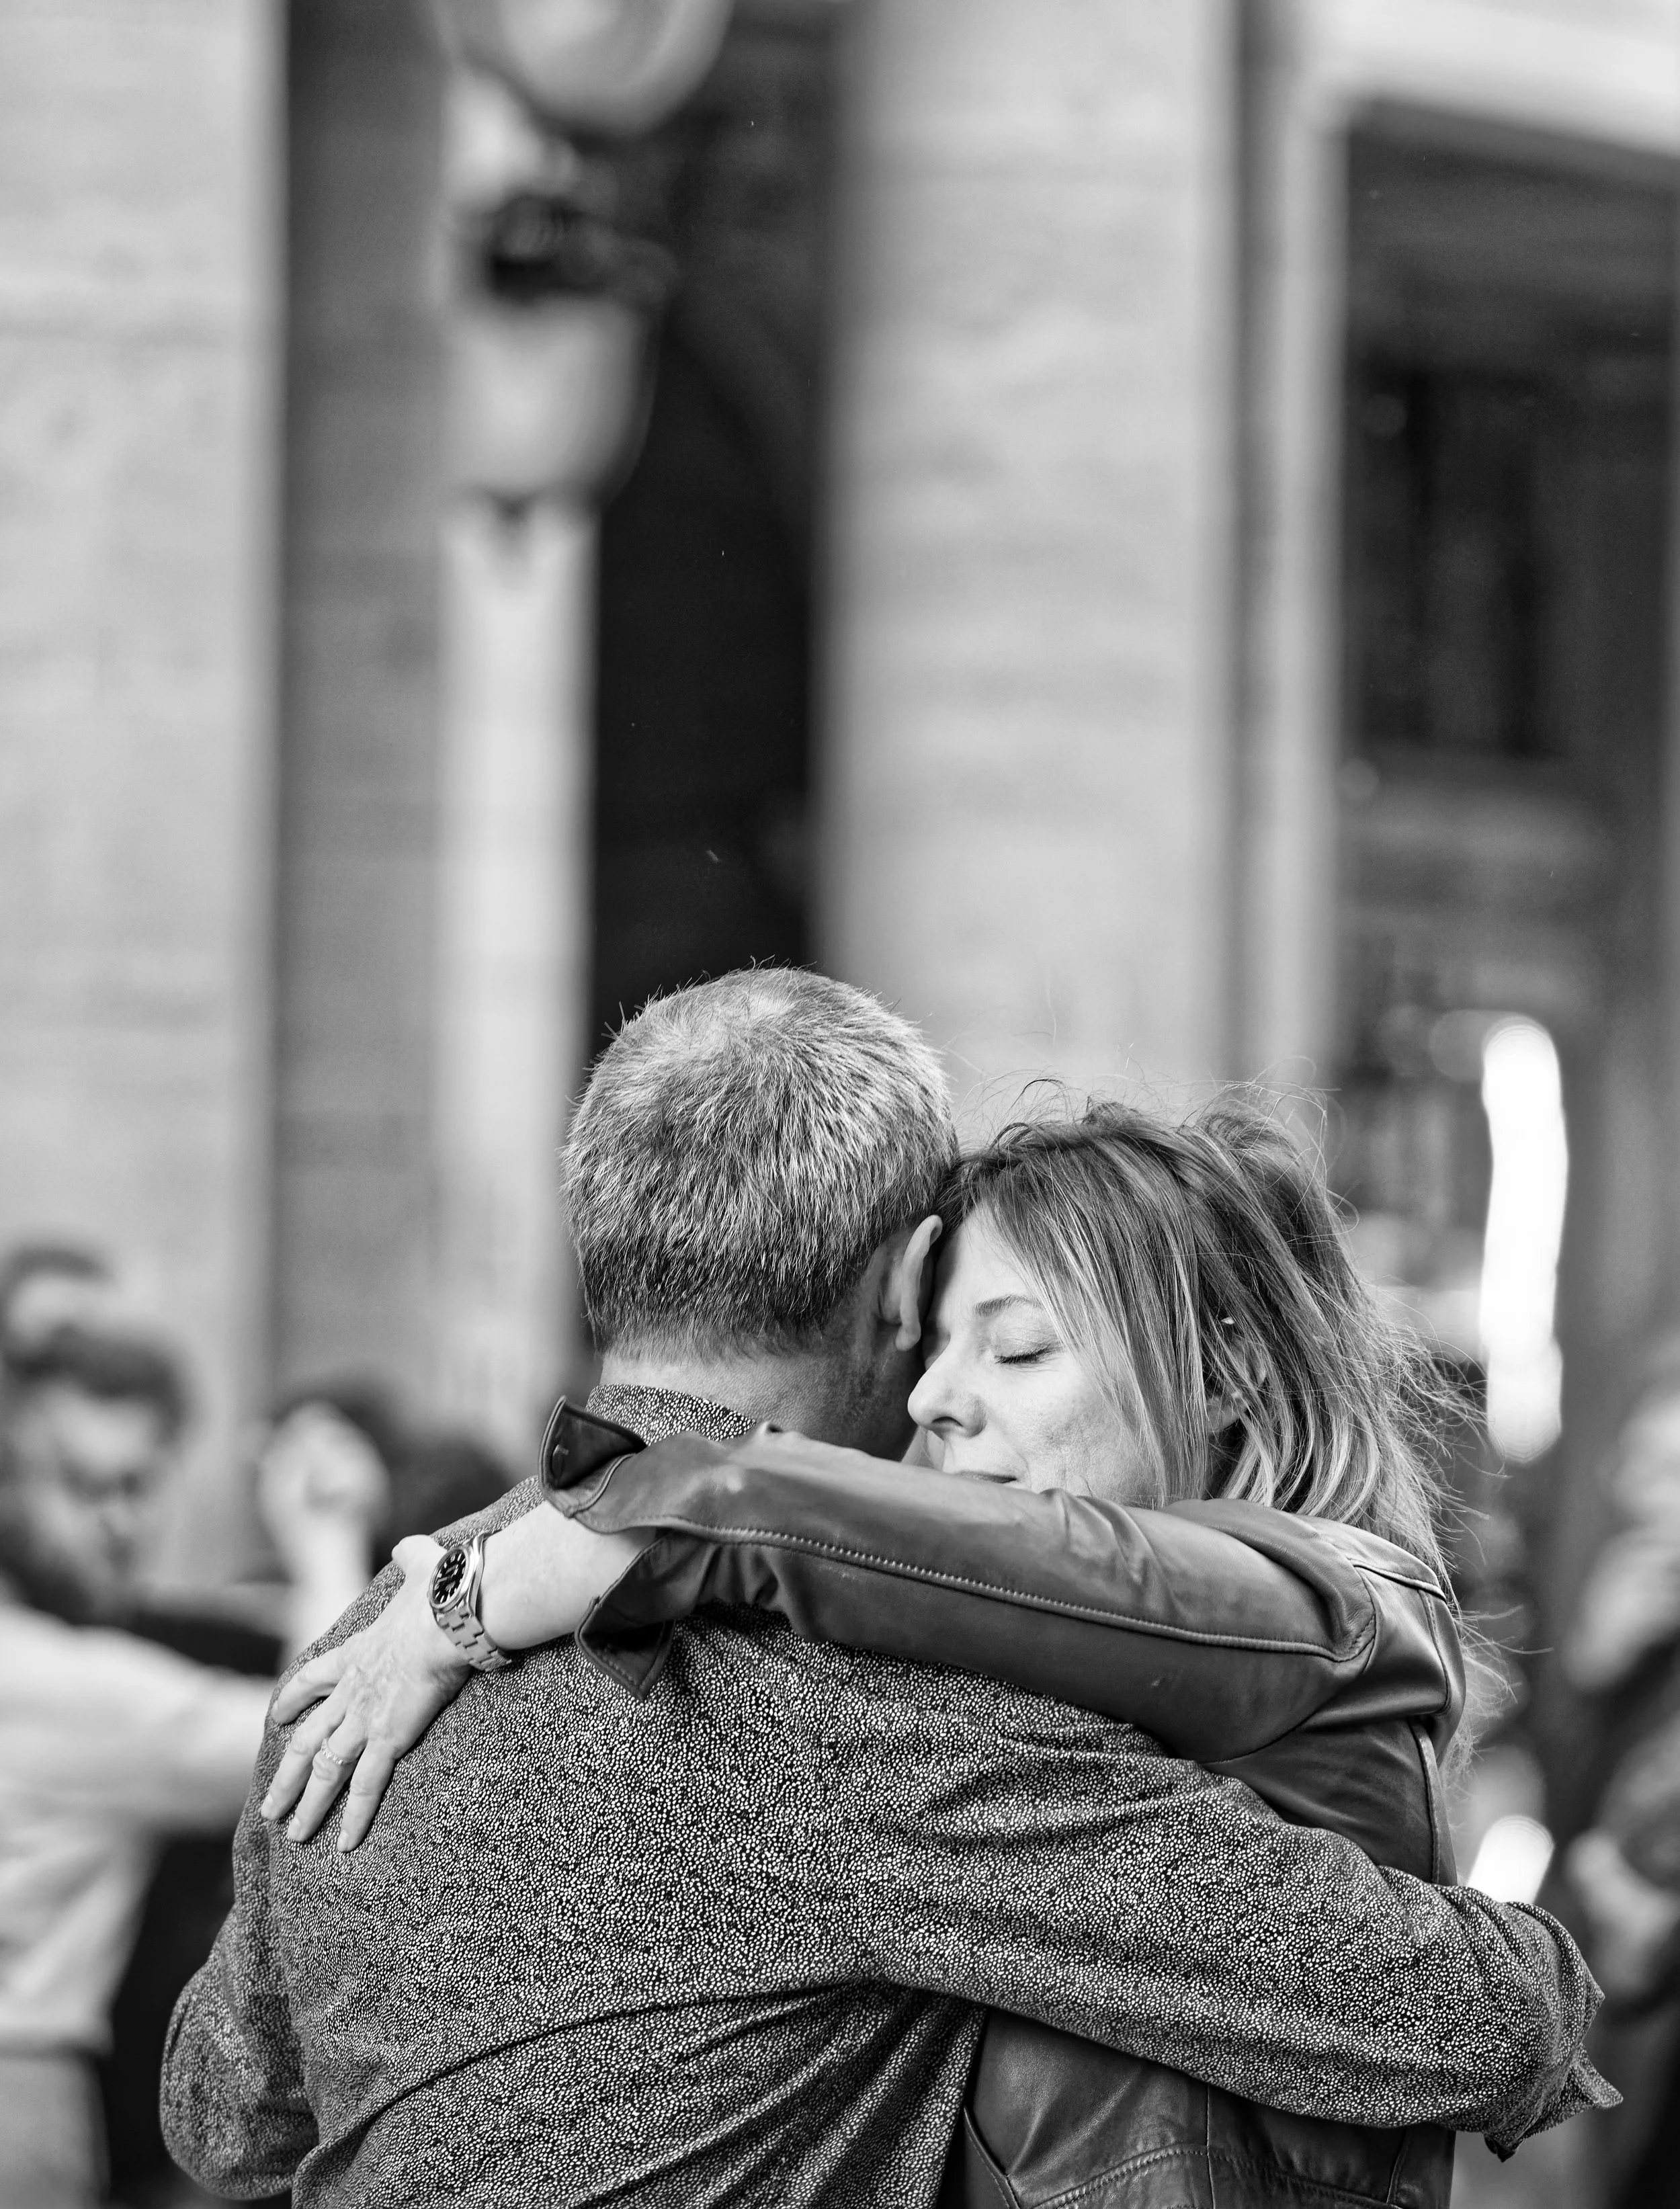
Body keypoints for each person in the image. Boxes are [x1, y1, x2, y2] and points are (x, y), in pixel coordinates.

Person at [164, 972, 1610, 2209]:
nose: (940, 1398)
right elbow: (1463, 2018)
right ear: (908, 1282)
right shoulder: (876, 1690)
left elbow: (223, 2111)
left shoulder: (380, 1632)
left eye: (1020, 1348)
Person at [0, 1321, 382, 2209]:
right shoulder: (49, 1684)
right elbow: (310, 1739)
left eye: (141, 1483)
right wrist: (327, 1537)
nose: (119, 1521)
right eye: (85, 1484)